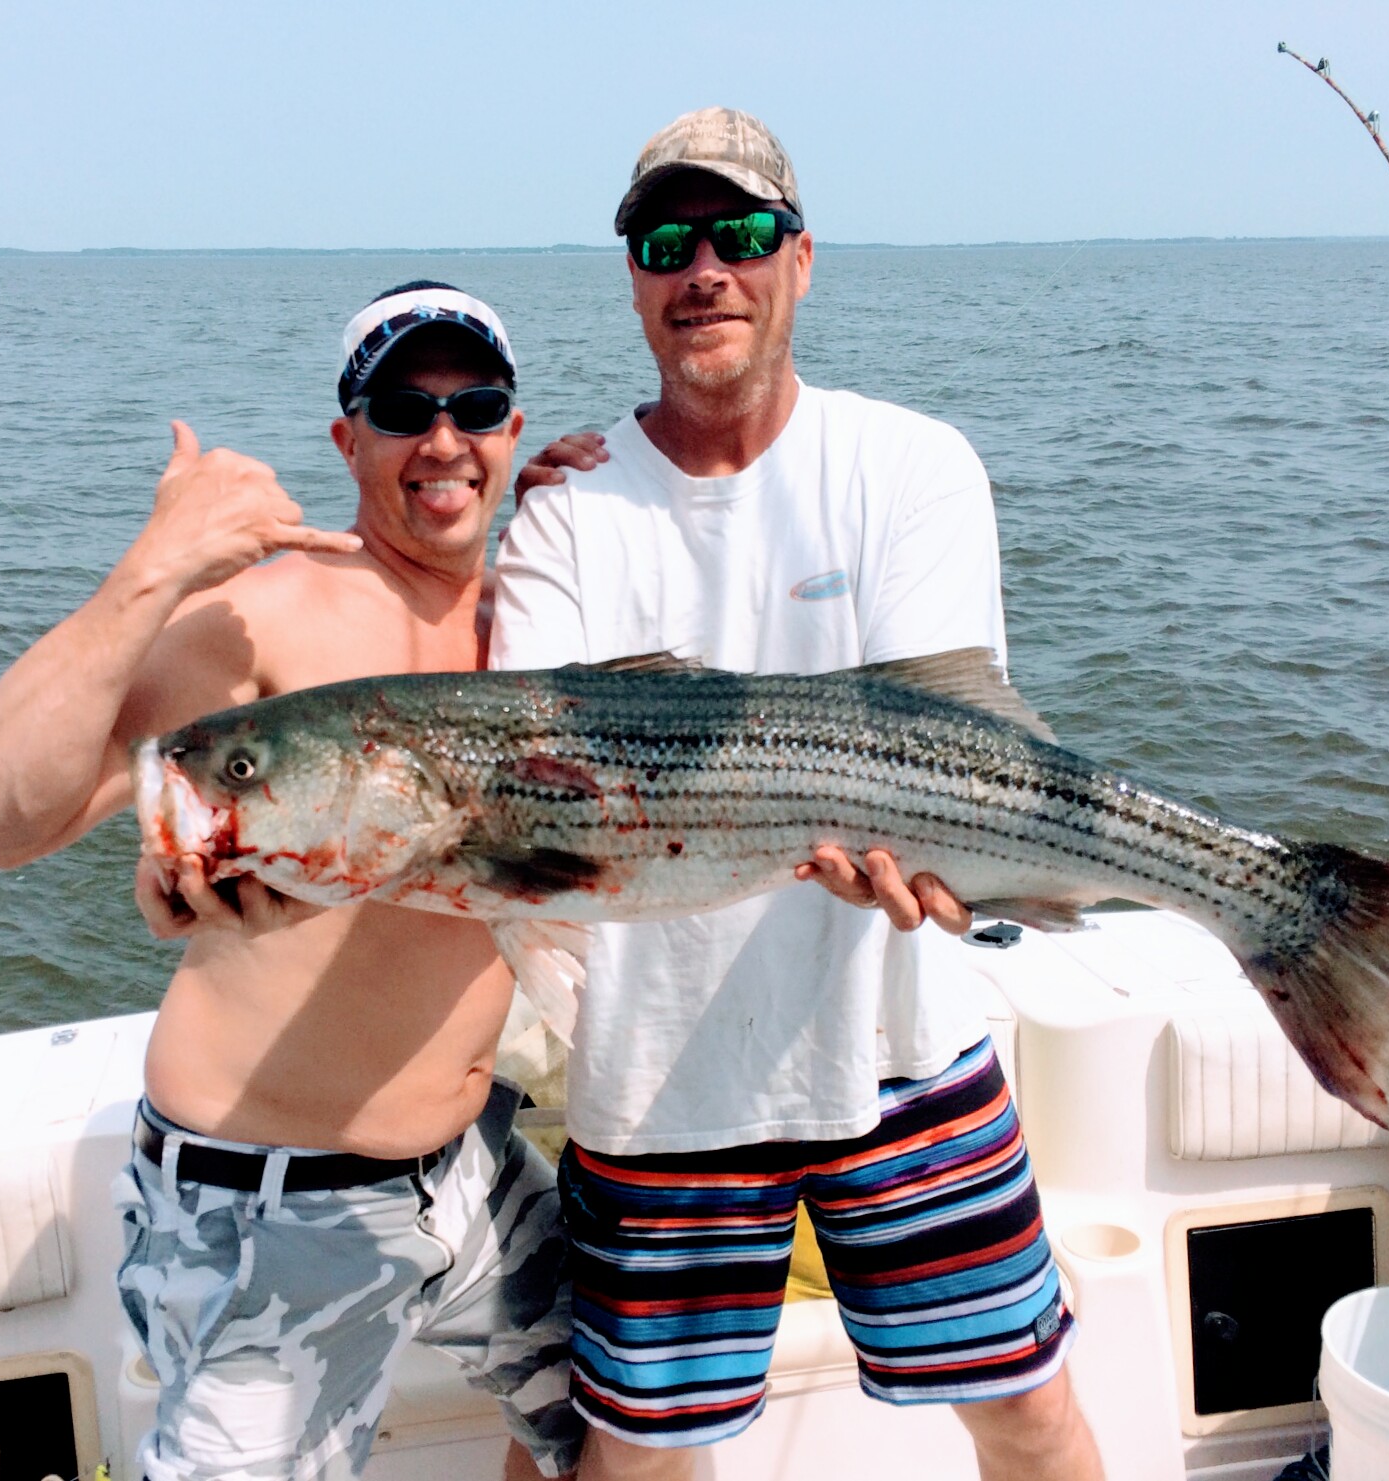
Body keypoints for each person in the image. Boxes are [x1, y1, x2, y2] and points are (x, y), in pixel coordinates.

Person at [492, 110, 1105, 1481]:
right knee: (638, 1456)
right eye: (667, 242)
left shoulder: (911, 465)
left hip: (901, 1038)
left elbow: (936, 737)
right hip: (659, 1075)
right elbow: (536, 783)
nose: (703, 267)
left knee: (1027, 1407)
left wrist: (937, 851)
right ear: (634, 282)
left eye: (742, 233)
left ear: (802, 259)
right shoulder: (565, 512)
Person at [0, 283, 602, 1481]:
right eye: (402, 410)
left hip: (473, 1170)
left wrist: (607, 506)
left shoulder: (534, 616)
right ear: (348, 439)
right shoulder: (265, 617)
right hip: (274, 1210)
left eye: (475, 407)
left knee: (617, 1427)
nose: (443, 439)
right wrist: (156, 567)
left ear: (512, 430)